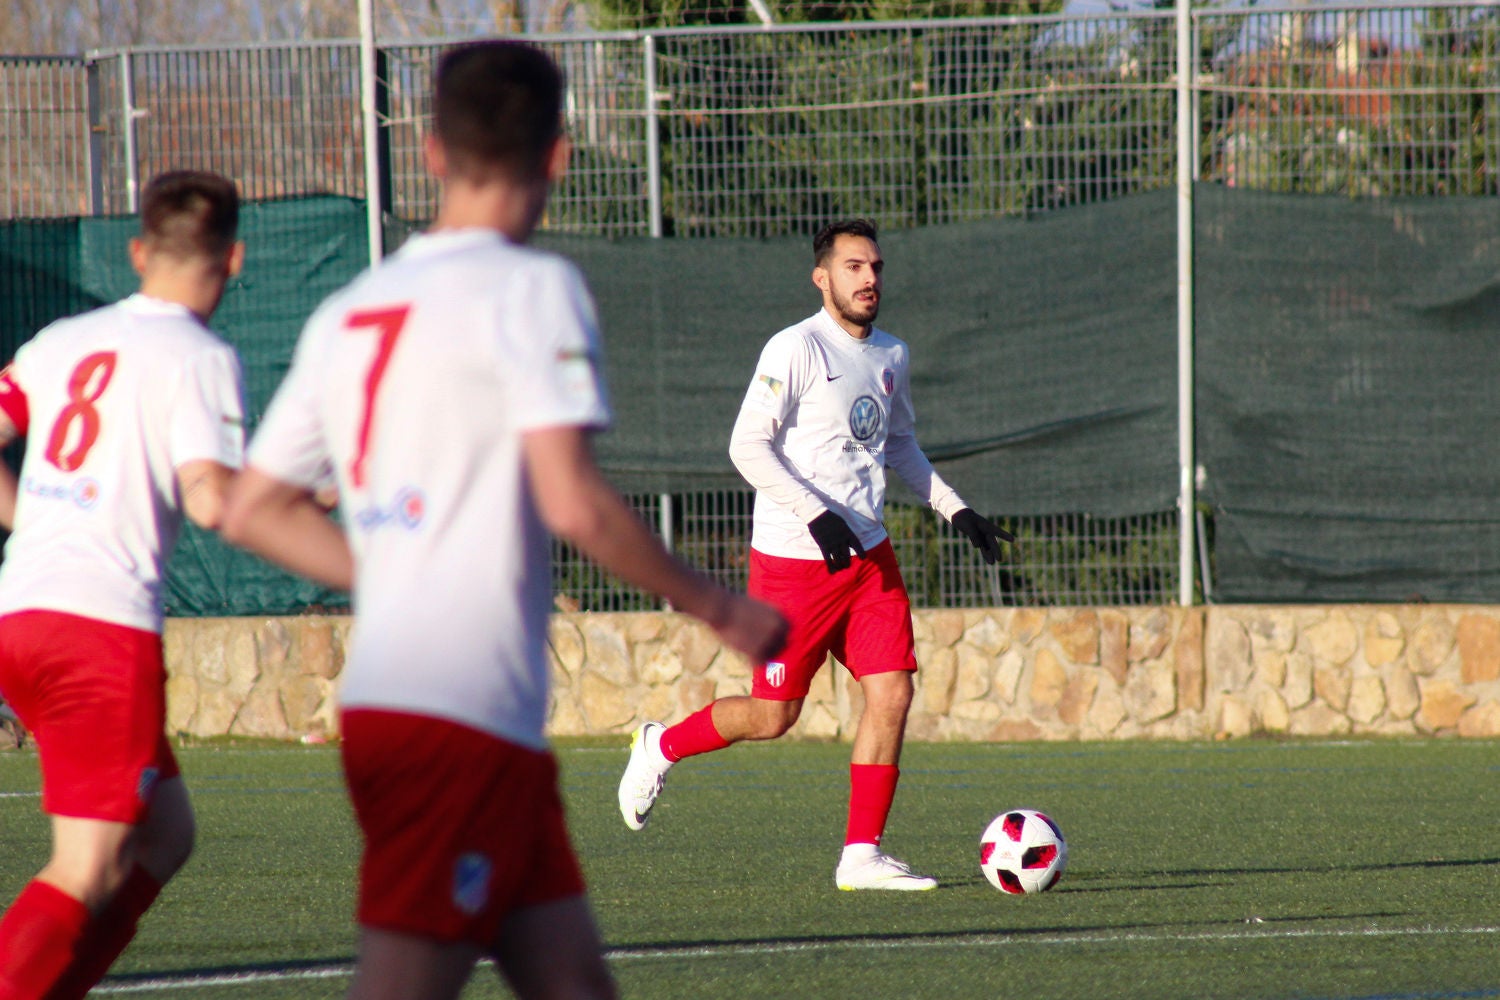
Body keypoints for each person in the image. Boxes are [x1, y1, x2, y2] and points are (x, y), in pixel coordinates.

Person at [220, 41, 786, 1000]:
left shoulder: (353, 310)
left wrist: (388, 567)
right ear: (558, 156)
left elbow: (251, 507)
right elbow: (572, 499)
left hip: (436, 713)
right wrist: (719, 607)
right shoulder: (533, 288)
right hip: (456, 714)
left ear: (432, 151)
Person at [618, 218, 1013, 891]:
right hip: (794, 567)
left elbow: (898, 447)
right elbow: (746, 447)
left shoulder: (891, 355)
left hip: (869, 562)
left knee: (892, 690)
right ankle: (661, 745)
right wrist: (815, 516)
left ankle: (861, 856)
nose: (869, 279)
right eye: (854, 267)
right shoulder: (793, 348)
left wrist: (956, 507)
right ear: (822, 277)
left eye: (877, 268)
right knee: (775, 717)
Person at [0, 170, 247, 998]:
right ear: (235, 260)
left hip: (20, 618)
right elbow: (212, 499)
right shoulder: (200, 356)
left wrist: (25, 520)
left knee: (167, 836)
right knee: (86, 865)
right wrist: (305, 500)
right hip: (97, 634)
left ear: (139, 251)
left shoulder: (61, 340)